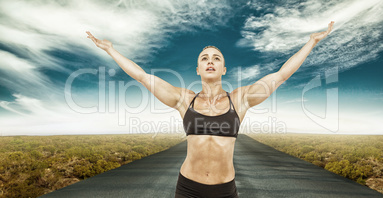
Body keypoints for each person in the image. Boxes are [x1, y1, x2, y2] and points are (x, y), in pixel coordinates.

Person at [86, 21, 334, 198]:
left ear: (224, 69)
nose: (210, 61)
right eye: (204, 58)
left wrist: (311, 42)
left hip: (225, 190)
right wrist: (110, 50)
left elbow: (280, 75)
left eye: (216, 58)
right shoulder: (185, 101)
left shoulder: (241, 99)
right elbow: (142, 76)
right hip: (187, 189)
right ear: (198, 69)